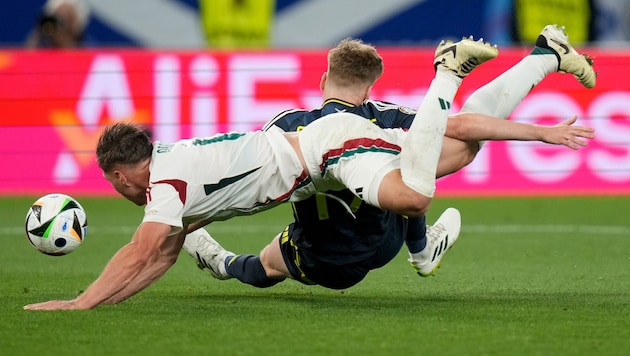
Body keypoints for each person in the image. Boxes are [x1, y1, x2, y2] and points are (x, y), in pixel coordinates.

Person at [23, 35, 500, 310]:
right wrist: (102, 303)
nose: (117, 190)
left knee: (432, 160)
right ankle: (422, 246)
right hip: (305, 156)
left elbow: (138, 251)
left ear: (123, 173)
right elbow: (160, 257)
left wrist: (79, 302)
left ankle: (451, 82)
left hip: (315, 152)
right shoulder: (172, 165)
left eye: (112, 182)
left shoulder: (165, 186)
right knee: (431, 156)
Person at [182, 24, 597, 290]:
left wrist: (188, 219)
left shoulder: (286, 124)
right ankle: (544, 57)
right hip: (385, 241)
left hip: (324, 256)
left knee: (265, 269)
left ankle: (218, 260)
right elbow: (465, 127)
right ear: (367, 91)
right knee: (424, 149)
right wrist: (542, 133)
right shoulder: (383, 115)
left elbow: (245, 182)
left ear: (324, 78)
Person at [25, 0, 90, 49]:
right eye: (56, 19)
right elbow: (27, 58)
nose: (60, 28)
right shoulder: (43, 48)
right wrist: (38, 33)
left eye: (66, 19)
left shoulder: (89, 52)